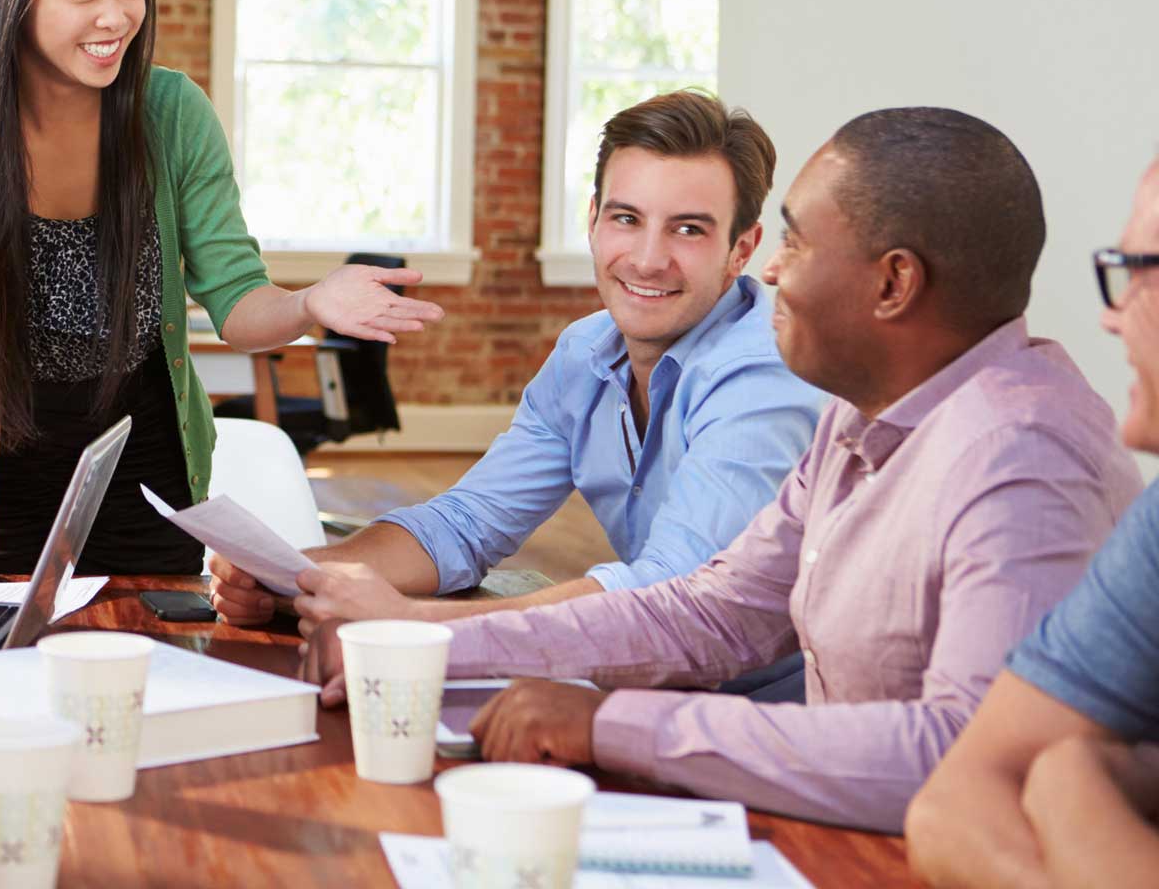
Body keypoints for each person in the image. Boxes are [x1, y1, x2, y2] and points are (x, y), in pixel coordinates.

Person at [305, 107, 1142, 833]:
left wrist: (614, 725)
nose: (775, 268)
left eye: (798, 241)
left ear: (894, 284)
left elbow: (961, 760)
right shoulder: (862, 413)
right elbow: (713, 610)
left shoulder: (1015, 456)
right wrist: (427, 641)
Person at [0, 0, 444, 581]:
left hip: (145, 459)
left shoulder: (172, 112)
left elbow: (238, 303)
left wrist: (308, 303)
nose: (115, 17)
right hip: (2, 468)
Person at [213, 91, 825, 662]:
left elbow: (671, 592)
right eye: (627, 219)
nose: (646, 258)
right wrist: (298, 575)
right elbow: (468, 523)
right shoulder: (586, 352)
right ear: (592, 219)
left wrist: (414, 626)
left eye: (688, 229)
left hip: (765, 708)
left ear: (743, 249)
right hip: (644, 669)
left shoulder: (762, 378)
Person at [906, 159, 1159, 888]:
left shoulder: (1020, 441)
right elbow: (949, 807)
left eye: (1138, 271)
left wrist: (1069, 782)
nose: (1112, 315)